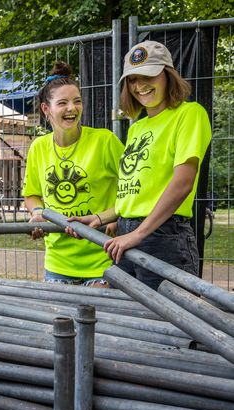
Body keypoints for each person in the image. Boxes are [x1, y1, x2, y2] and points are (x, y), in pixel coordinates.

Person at [68, 41, 211, 291]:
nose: (139, 86)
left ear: (168, 74)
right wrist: (100, 217)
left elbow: (183, 183)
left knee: (167, 323)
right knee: (125, 318)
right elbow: (136, 193)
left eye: (148, 76)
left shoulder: (189, 114)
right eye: (132, 79)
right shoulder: (137, 127)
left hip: (163, 235)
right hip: (127, 234)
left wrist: (139, 233)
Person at [22, 62, 124, 287]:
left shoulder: (104, 141)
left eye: (77, 101)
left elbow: (134, 190)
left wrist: (113, 216)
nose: (72, 108)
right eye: (63, 103)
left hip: (102, 257)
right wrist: (39, 213)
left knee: (100, 320)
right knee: (61, 321)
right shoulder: (38, 147)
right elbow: (32, 195)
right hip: (58, 261)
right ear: (46, 109)